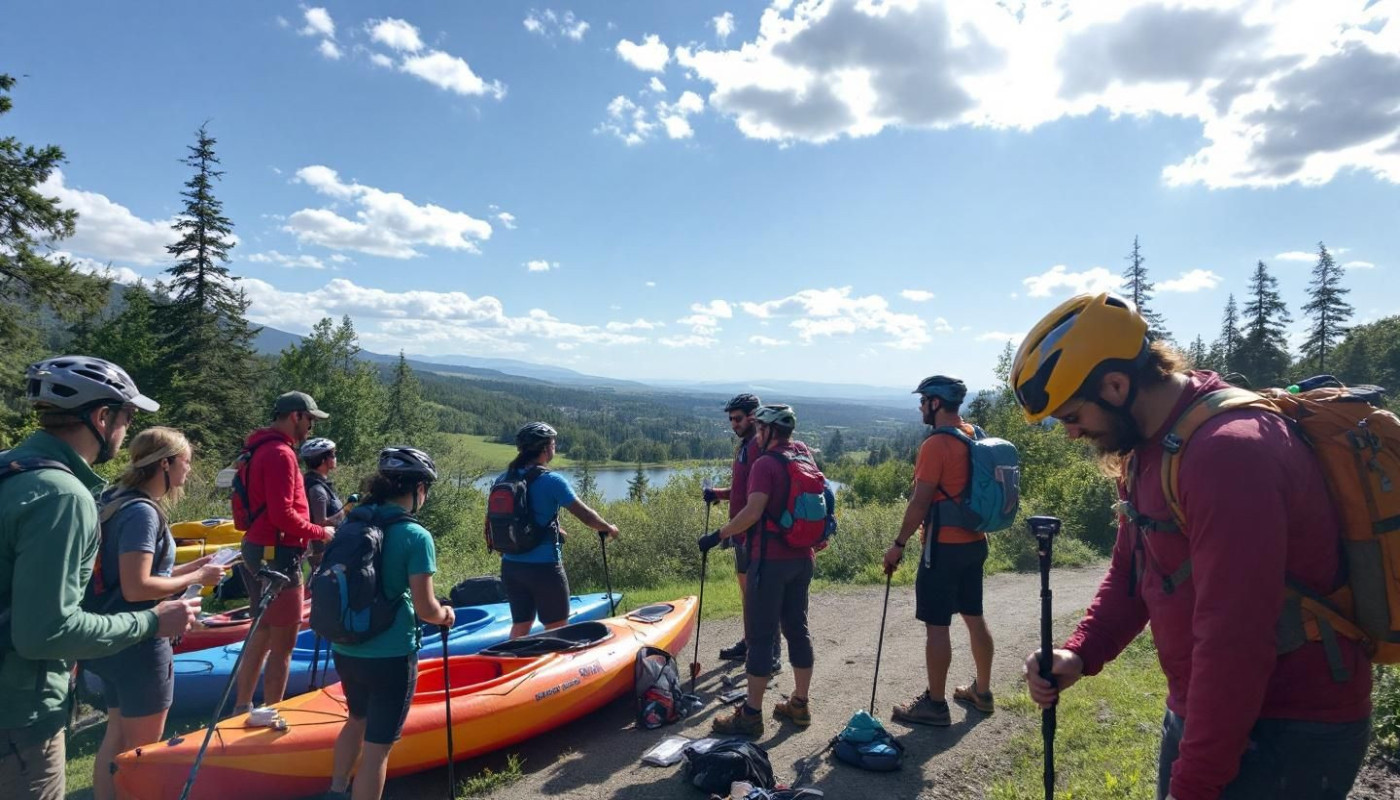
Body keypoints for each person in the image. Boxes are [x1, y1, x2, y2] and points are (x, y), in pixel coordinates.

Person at [1011, 293, 1371, 800]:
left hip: (1291, 729)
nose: (1071, 434)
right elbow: (1133, 574)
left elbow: (1236, 638)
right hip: (1206, 712)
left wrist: (1195, 783)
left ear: (1116, 386)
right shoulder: (1149, 448)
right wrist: (1079, 651)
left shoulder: (1228, 454)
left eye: (1071, 415)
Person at [0, 356, 198, 800]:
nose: (127, 430)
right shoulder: (61, 496)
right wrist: (151, 622)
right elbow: (46, 632)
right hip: (19, 713)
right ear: (102, 417)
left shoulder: (10, 470)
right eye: (127, 416)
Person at [83, 427, 231, 800]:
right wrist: (199, 576)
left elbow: (136, 577)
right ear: (164, 463)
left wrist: (194, 566)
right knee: (143, 756)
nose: (188, 471)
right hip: (142, 643)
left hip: (112, 636)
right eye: (185, 462)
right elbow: (137, 587)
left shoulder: (114, 499)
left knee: (115, 735)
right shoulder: (143, 515)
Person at [327, 447, 453, 800]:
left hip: (346, 646)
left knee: (355, 720)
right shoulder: (416, 536)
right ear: (416, 489)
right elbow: (427, 608)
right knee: (378, 748)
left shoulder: (353, 521)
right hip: (391, 654)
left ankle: (336, 792)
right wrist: (446, 615)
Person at [883, 375, 996, 727]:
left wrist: (897, 545)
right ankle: (983, 691)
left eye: (923, 401)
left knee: (937, 625)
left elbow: (919, 503)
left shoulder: (936, 445)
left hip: (942, 547)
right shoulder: (972, 434)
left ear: (935, 403)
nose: (920, 407)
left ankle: (934, 704)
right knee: (974, 616)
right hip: (975, 543)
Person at [702, 404, 817, 737]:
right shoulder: (803, 453)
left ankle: (751, 715)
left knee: (761, 635)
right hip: (803, 557)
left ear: (765, 431)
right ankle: (800, 703)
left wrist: (718, 535)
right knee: (798, 629)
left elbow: (753, 512)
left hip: (769, 561)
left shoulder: (765, 463)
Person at [232, 391, 336, 717]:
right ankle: (272, 712)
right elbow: (282, 515)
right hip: (279, 556)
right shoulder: (281, 454)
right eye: (310, 420)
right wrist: (322, 532)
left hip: (257, 549)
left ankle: (242, 707)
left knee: (260, 633)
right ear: (296, 416)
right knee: (283, 647)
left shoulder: (258, 448)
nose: (311, 428)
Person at [497, 422, 619, 638]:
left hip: (511, 566)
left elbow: (510, 518)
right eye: (553, 443)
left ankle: (516, 666)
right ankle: (556, 670)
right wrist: (608, 528)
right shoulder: (551, 480)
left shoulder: (504, 478)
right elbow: (586, 515)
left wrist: (551, 529)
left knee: (521, 625)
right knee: (558, 627)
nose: (555, 447)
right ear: (545, 448)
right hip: (544, 568)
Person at [703, 393, 776, 666]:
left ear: (753, 417)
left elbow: (757, 496)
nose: (733, 424)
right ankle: (751, 643)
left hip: (753, 534)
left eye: (737, 418)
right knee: (748, 594)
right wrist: (718, 494)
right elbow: (743, 491)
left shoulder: (757, 447)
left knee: (756, 596)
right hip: (742, 533)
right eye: (730, 419)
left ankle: (763, 651)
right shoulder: (747, 445)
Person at [301, 436, 346, 569]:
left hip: (321, 552)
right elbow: (320, 523)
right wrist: (345, 511)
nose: (335, 458)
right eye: (333, 455)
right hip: (319, 554)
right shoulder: (317, 488)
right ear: (323, 460)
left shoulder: (311, 482)